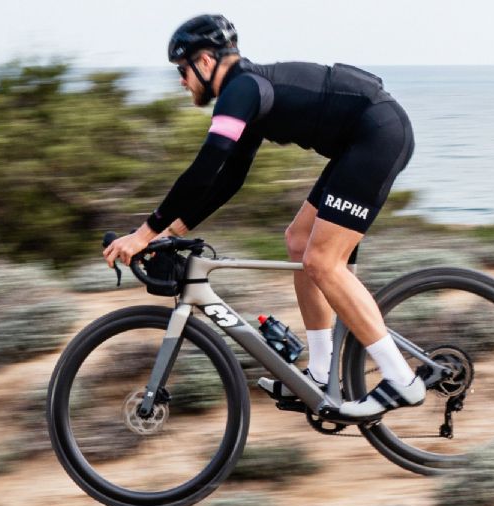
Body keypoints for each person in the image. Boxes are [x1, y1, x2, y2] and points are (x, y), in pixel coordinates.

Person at [103, 14, 421, 420]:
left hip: (377, 135)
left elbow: (207, 165)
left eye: (182, 71)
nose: (181, 81)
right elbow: (227, 180)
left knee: (323, 262)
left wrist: (144, 232)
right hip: (358, 142)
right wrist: (169, 231)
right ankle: (321, 376)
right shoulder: (247, 94)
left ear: (204, 62)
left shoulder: (243, 89)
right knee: (298, 241)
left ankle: (400, 380)